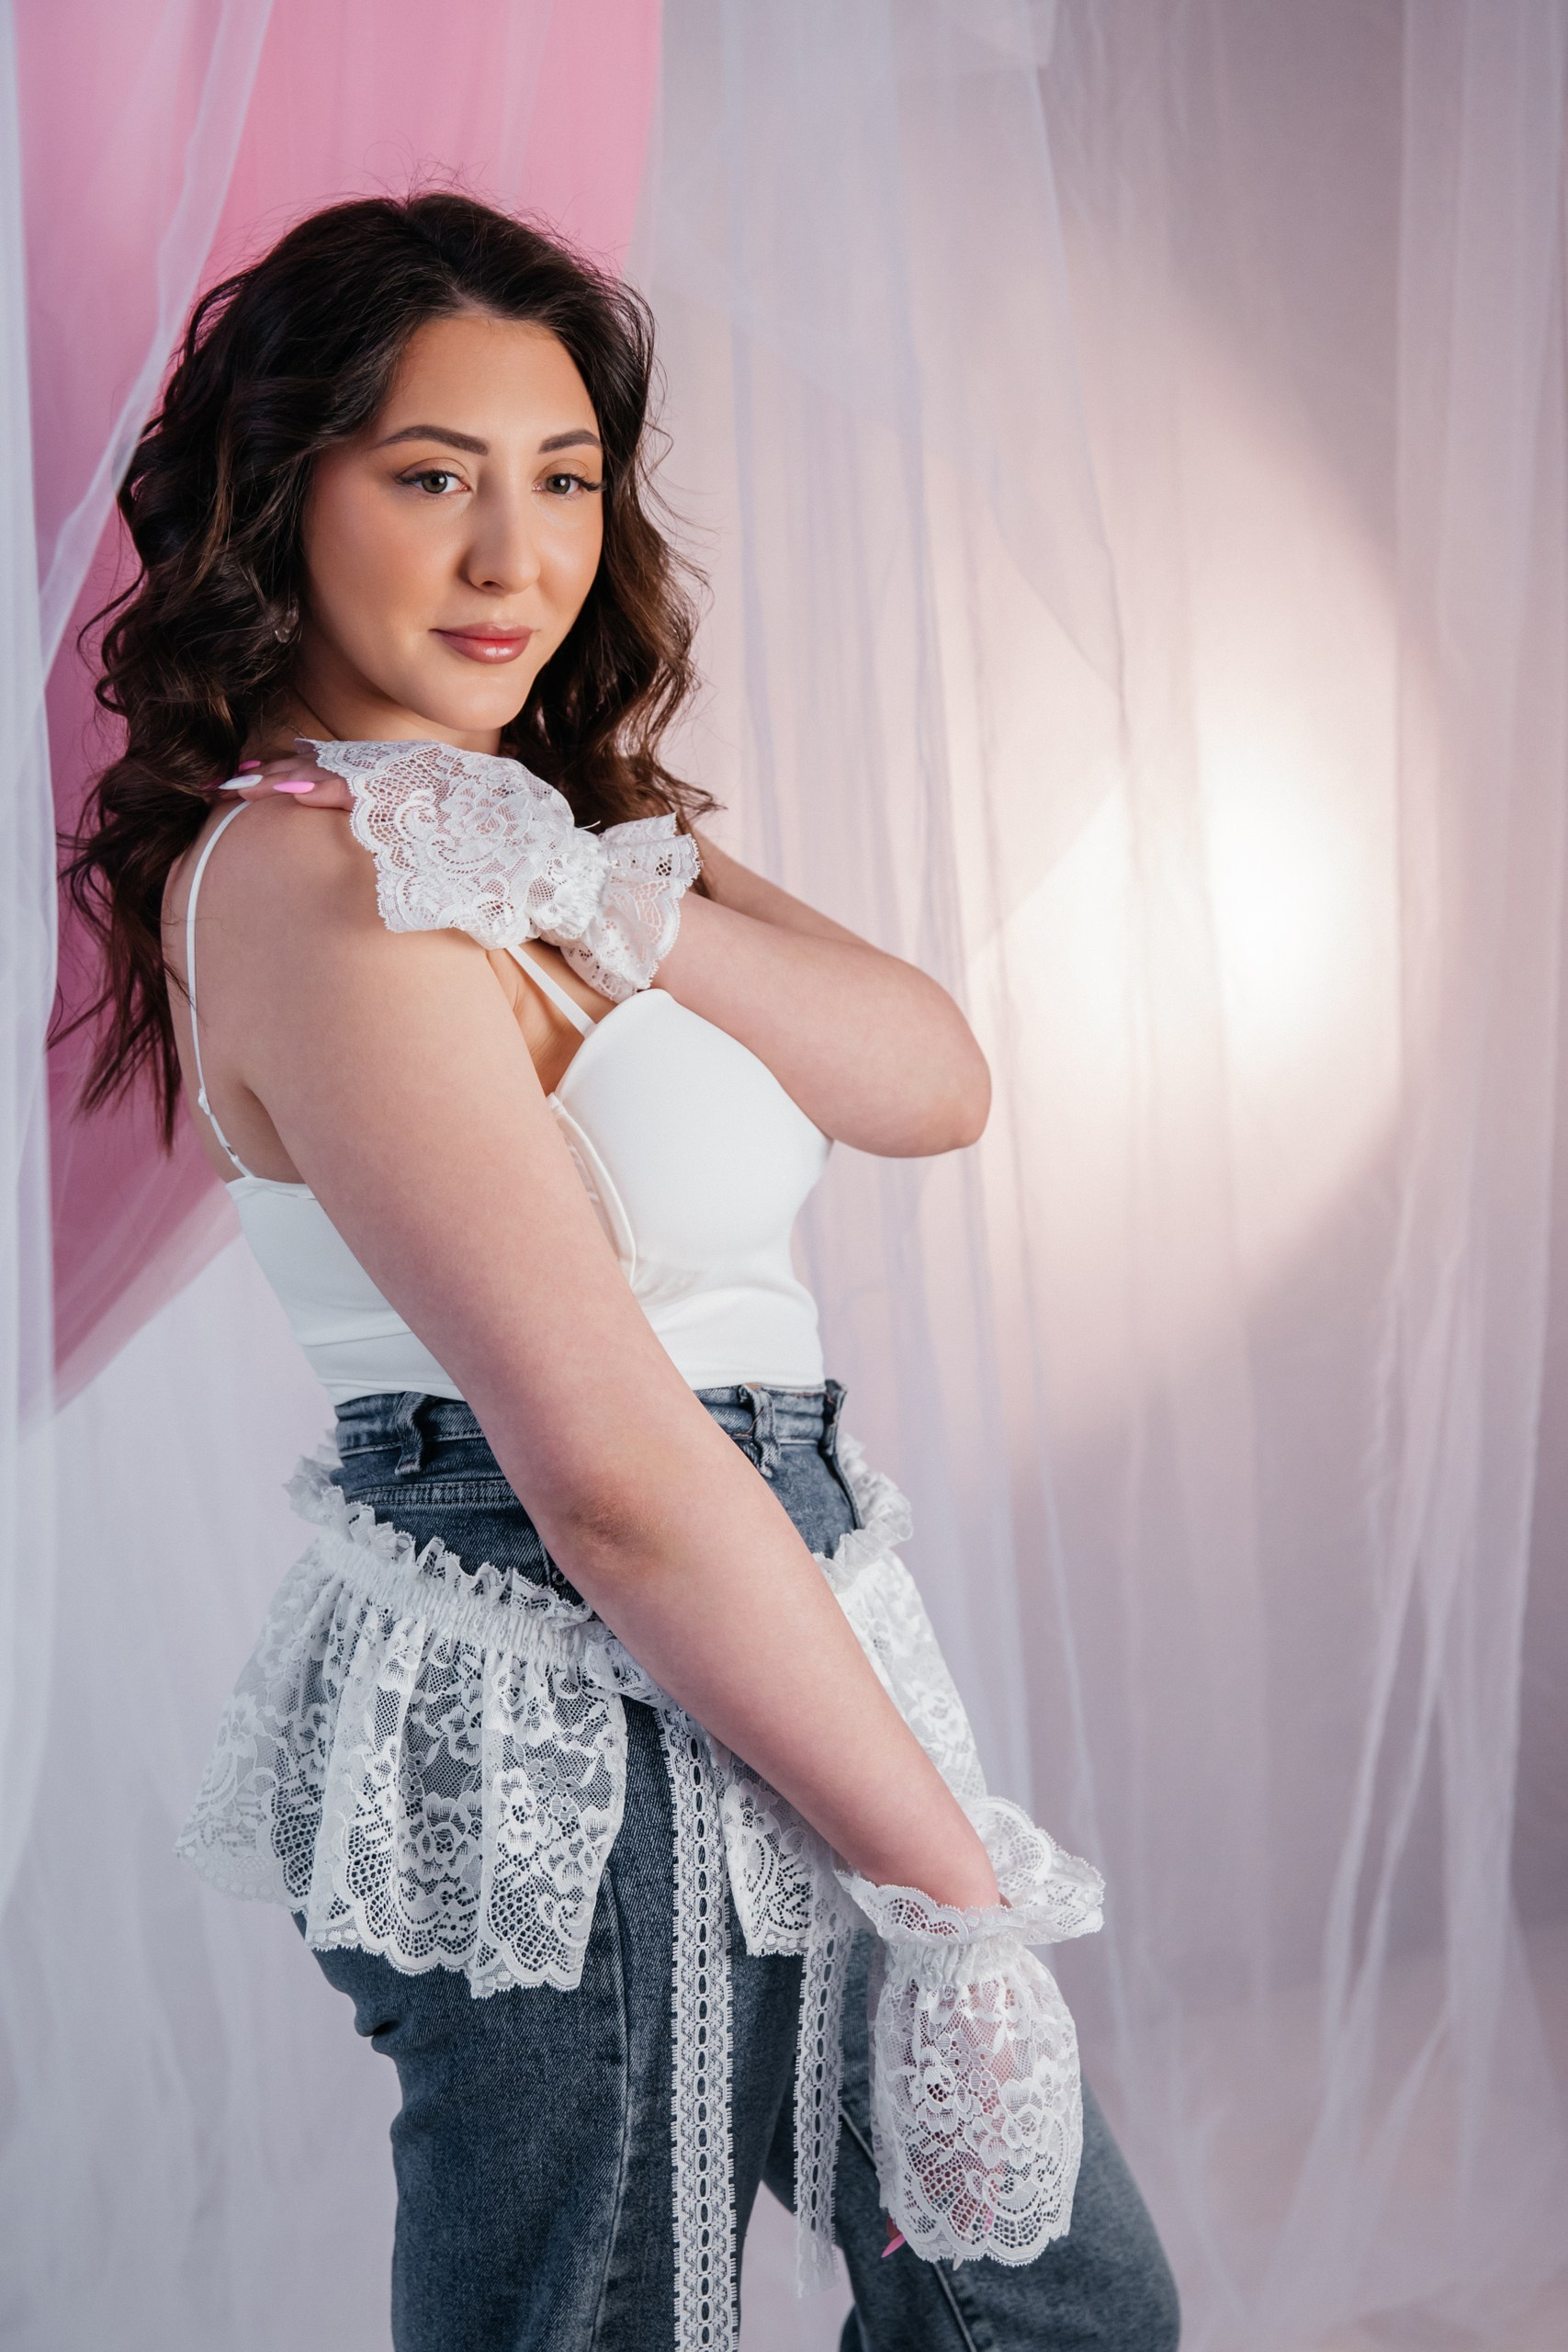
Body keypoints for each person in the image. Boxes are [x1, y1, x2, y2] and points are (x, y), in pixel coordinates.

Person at [64, 192, 1179, 2352]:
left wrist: (607, 885)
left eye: (563, 478)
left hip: (770, 1601)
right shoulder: (313, 876)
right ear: (278, 497)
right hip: (554, 1661)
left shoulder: (547, 817)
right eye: (431, 477)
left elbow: (927, 1075)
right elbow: (604, 1465)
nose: (516, 555)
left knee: (1050, 2299)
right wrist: (951, 1894)